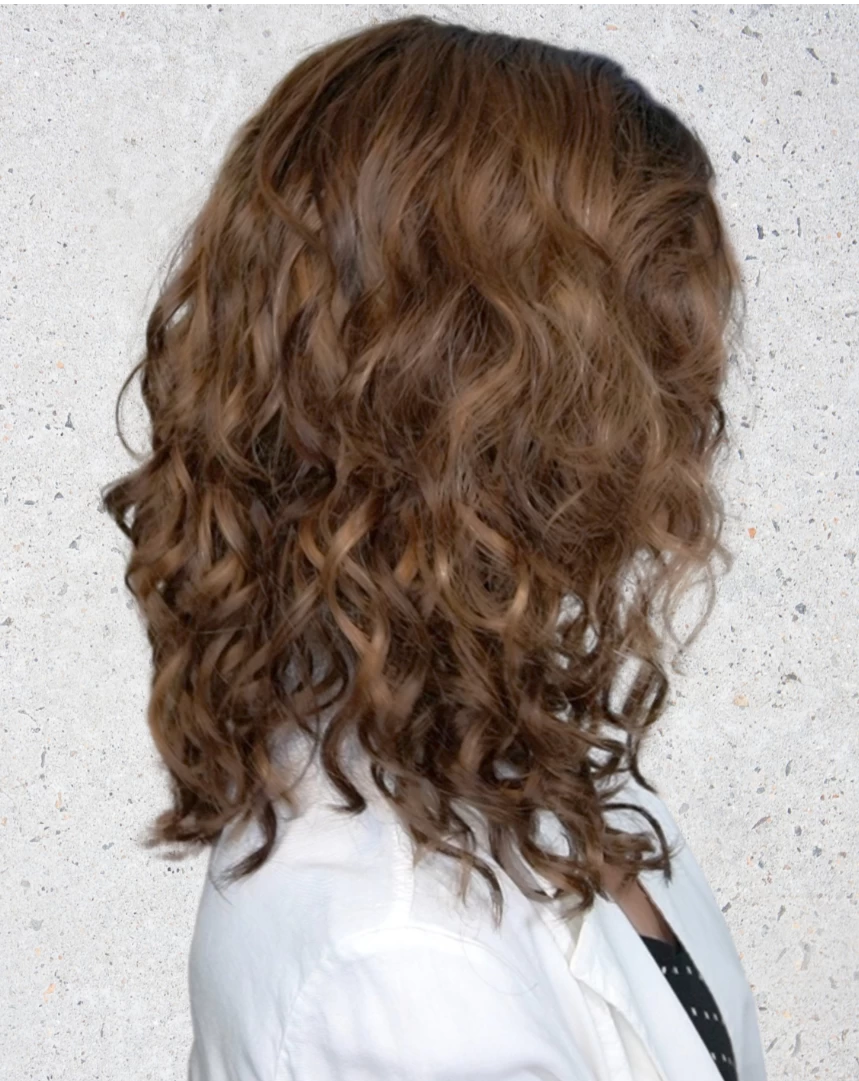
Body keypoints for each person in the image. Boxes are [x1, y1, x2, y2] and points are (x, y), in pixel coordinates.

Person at [101, 14, 767, 1081]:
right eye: (655, 334)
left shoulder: (501, 757)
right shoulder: (403, 966)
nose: (692, 398)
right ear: (490, 392)